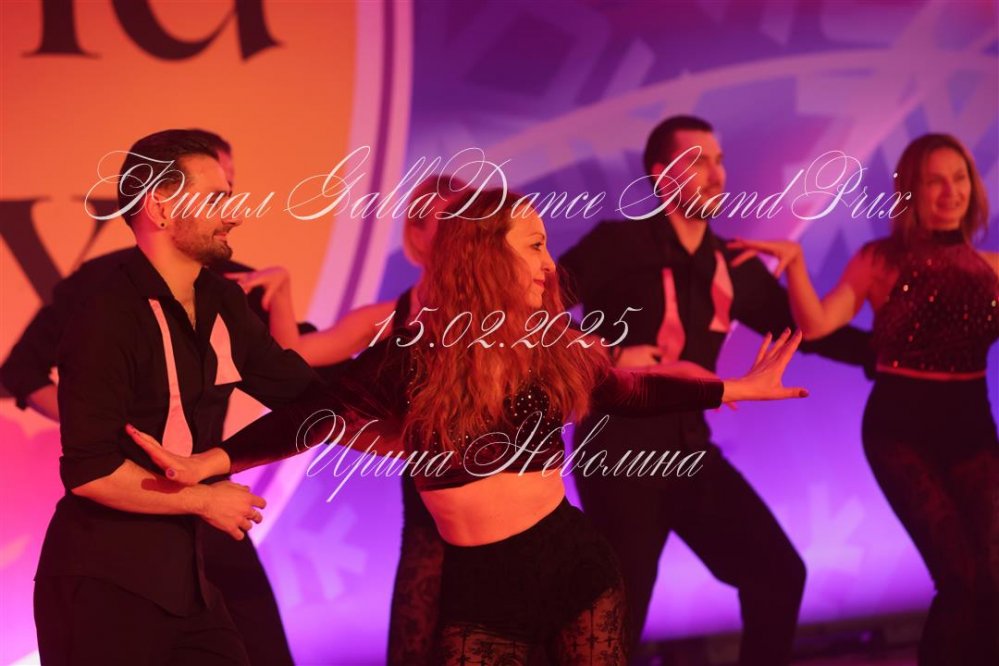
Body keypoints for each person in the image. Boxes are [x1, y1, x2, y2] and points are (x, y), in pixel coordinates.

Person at [129, 187, 811, 665]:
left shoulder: (548, 343)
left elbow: (625, 390)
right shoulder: (414, 353)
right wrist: (208, 463)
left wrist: (736, 386)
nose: (550, 264)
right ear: (487, 255)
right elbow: (313, 416)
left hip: (573, 563)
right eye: (534, 246)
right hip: (479, 584)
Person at [558, 115, 874, 664]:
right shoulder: (618, 243)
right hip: (620, 453)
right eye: (698, 161)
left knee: (778, 573)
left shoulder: (731, 264)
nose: (716, 173)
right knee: (616, 618)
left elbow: (807, 332)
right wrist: (607, 354)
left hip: (688, 450)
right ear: (662, 175)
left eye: (719, 160)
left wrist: (892, 355)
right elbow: (535, 313)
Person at [3, 129, 297, 666]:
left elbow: (304, 389)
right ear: (161, 207)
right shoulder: (103, 299)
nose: (233, 214)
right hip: (115, 555)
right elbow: (84, 462)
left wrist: (212, 466)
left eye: (230, 192)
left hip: (199, 530)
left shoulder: (229, 291)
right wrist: (100, 423)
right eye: (217, 196)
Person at [730, 132, 999, 666]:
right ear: (912, 191)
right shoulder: (879, 260)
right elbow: (816, 325)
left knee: (993, 579)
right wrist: (797, 265)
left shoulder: (992, 268)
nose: (951, 192)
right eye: (935, 181)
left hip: (972, 429)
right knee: (961, 579)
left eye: (960, 179)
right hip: (902, 432)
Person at [228, 174, 467, 664]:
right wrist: (283, 292)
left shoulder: (501, 314)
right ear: (417, 233)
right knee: (417, 646)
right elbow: (295, 361)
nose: (460, 233)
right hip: (431, 514)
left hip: (509, 512)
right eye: (447, 221)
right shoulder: (392, 316)